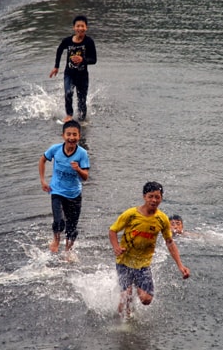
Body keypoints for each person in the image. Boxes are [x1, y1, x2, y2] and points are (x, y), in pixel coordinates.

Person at [109, 182, 190, 318]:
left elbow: (170, 242)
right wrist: (116, 247)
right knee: (126, 296)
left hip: (143, 264)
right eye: (150, 196)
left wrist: (180, 266)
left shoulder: (162, 219)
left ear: (161, 198)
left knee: (146, 300)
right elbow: (112, 231)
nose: (154, 200)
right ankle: (121, 320)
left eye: (157, 197)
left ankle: (132, 291)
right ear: (144, 197)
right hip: (124, 261)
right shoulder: (131, 214)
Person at [39, 120, 90, 253]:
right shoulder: (55, 149)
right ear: (63, 136)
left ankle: (68, 251)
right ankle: (56, 239)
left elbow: (85, 177)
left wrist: (78, 169)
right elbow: (42, 160)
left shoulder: (82, 153)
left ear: (79, 136)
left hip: (74, 194)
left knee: (72, 228)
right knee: (59, 220)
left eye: (75, 135)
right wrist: (43, 181)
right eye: (68, 134)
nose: (71, 138)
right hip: (57, 191)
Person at [49, 15, 97, 122]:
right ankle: (69, 115)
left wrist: (82, 60)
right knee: (68, 93)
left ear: (86, 28)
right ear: (74, 28)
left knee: (82, 100)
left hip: (82, 76)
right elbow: (59, 50)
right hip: (69, 73)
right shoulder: (68, 41)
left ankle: (82, 121)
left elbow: (94, 60)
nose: (80, 28)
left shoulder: (89, 42)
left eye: (82, 26)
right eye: (78, 26)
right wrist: (56, 66)